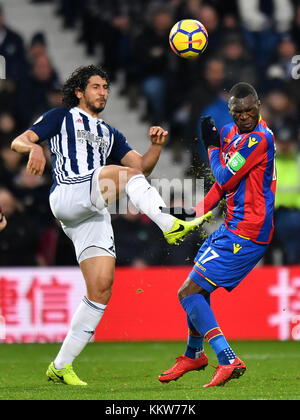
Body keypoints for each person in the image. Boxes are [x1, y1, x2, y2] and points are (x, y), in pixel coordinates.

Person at [11, 64, 211, 386]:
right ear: (79, 91)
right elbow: (19, 140)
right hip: (68, 193)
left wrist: (157, 147)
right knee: (120, 176)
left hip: (93, 211)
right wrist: (34, 147)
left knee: (101, 290)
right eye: (96, 86)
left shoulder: (110, 133)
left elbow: (141, 170)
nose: (103, 92)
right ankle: (169, 223)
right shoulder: (60, 117)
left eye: (106, 87)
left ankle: (60, 366)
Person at [159, 82, 276, 387]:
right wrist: (197, 213)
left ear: (259, 107)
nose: (246, 116)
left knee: (187, 293)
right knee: (199, 291)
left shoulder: (260, 139)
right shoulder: (230, 134)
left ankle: (226, 358)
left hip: (247, 233)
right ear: (231, 111)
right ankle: (194, 354)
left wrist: (211, 148)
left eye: (251, 109)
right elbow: (224, 187)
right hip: (232, 228)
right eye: (239, 112)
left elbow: (223, 177)